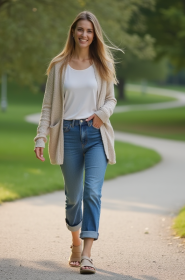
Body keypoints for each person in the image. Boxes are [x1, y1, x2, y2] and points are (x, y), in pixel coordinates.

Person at [33, 11, 120, 274]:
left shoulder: (102, 64)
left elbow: (111, 100)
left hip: (95, 135)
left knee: (92, 192)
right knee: (73, 197)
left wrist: (101, 115)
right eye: (80, 29)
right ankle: (74, 242)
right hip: (68, 135)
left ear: (95, 35)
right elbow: (48, 105)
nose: (84, 34)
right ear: (73, 32)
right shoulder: (59, 66)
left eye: (89, 31)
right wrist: (41, 135)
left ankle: (87, 254)